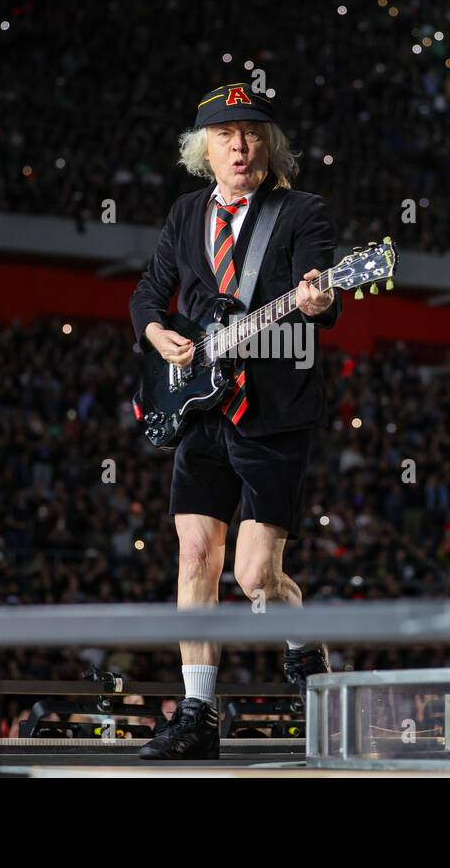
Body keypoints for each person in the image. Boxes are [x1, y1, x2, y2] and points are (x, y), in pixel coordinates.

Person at [128, 82, 341, 760]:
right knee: (195, 554)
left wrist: (318, 298)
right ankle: (198, 714)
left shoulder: (301, 211)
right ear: (205, 150)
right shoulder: (185, 212)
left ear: (269, 145)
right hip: (199, 409)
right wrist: (155, 332)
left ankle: (303, 647)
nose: (240, 145)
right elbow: (148, 293)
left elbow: (322, 296)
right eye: (225, 135)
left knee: (254, 577)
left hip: (272, 413)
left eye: (251, 133)